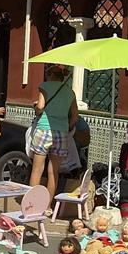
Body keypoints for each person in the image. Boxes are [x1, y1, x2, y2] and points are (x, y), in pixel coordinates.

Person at [29, 65, 78, 198]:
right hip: (61, 133)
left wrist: (36, 109)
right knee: (53, 172)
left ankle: (32, 203)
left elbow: (40, 106)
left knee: (37, 170)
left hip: (44, 130)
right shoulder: (70, 92)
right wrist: (67, 128)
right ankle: (47, 205)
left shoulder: (45, 86)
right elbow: (75, 116)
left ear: (50, 75)